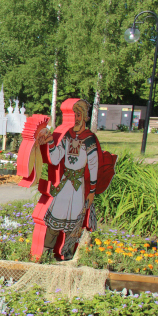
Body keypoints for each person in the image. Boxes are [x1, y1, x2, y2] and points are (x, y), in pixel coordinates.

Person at [38, 99, 100, 260]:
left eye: (79, 115)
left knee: (74, 221)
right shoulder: (68, 135)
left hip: (79, 186)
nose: (76, 118)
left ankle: (69, 254)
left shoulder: (89, 139)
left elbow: (93, 165)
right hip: (65, 183)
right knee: (55, 217)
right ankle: (46, 253)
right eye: (75, 114)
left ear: (86, 117)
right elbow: (56, 157)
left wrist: (92, 190)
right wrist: (51, 141)